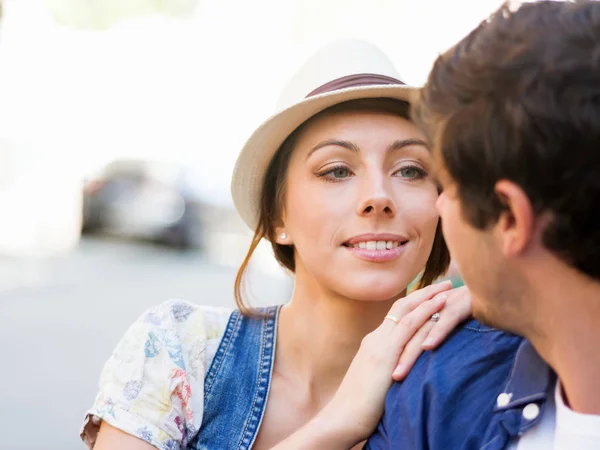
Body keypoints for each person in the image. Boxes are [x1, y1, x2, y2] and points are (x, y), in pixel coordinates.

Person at [80, 40, 508, 450]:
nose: (378, 196)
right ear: (278, 216)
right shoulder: (179, 352)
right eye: (337, 171)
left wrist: (520, 305)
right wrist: (337, 425)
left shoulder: (482, 369)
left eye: (411, 170)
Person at [366, 1, 600, 449]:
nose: (437, 208)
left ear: (510, 217)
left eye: (446, 186)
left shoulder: (439, 390)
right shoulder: (437, 391)